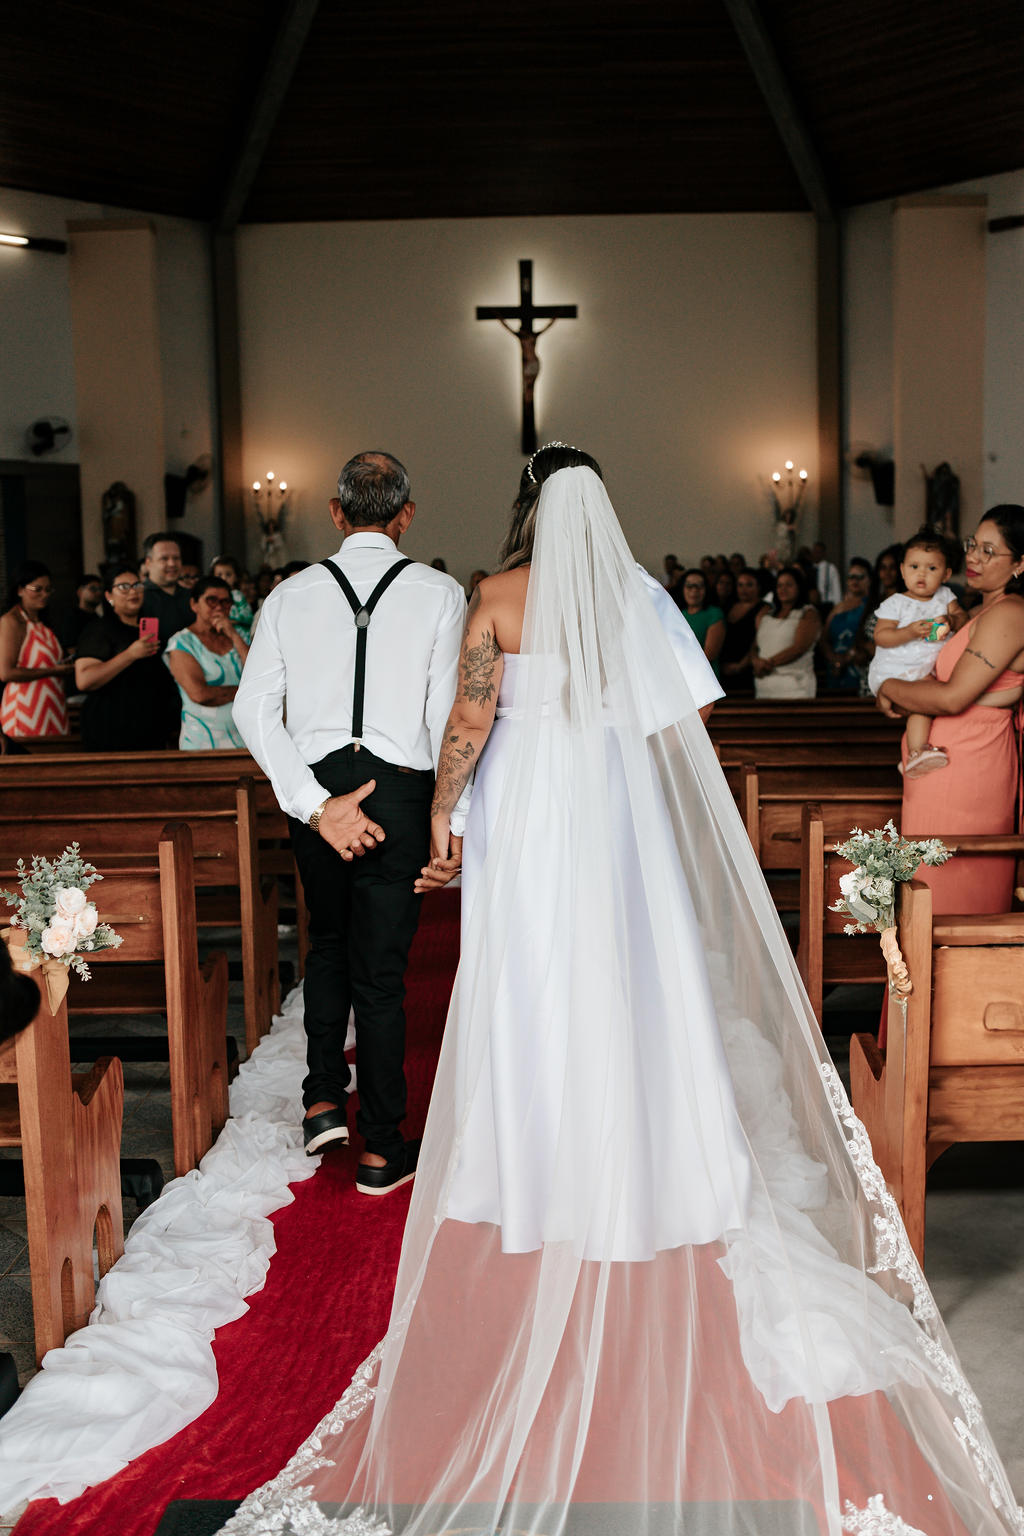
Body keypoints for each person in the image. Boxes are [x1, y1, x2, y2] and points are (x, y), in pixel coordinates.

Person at [229, 451, 1019, 1536]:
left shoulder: (493, 598)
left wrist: (448, 820)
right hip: (611, 806)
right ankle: (641, 1143)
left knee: (525, 971)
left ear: (526, 511)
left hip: (525, 805)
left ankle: (534, 1150)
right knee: (628, 969)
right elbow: (684, 723)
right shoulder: (638, 594)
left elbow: (464, 726)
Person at [233, 450, 469, 1190]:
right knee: (385, 975)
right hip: (398, 789)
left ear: (335, 513)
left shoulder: (290, 595)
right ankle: (379, 1149)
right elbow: (444, 714)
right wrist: (446, 814)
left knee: (328, 944)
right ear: (405, 516)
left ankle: (322, 1100)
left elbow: (249, 710)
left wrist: (315, 804)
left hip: (318, 786)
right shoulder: (439, 591)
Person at [877, 505, 1024, 914]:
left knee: (953, 887)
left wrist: (889, 686)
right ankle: (919, 978)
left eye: (989, 551)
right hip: (937, 763)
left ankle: (958, 977)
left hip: (970, 762)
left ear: (1021, 563)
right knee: (923, 883)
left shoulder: (1011, 613)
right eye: (973, 545)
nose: (974, 557)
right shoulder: (978, 611)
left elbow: (953, 697)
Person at [867, 530, 966, 777]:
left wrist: (951, 621)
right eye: (914, 566)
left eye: (932, 568)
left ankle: (912, 755)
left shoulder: (945, 596)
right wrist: (909, 632)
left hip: (924, 668)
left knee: (927, 702)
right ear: (902, 571)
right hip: (896, 668)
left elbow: (964, 618)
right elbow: (881, 636)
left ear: (946, 574)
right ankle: (916, 752)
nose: (921, 574)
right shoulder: (895, 603)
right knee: (926, 701)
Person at [74, 565, 180, 751]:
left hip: (150, 726)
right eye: (124, 587)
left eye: (137, 586)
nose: (133, 592)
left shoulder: (151, 628)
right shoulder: (100, 629)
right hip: (112, 726)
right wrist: (130, 654)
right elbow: (84, 680)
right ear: (108, 596)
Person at [163, 576, 249, 749]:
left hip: (247, 739)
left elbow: (259, 675)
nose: (219, 607)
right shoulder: (181, 643)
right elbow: (199, 693)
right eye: (211, 600)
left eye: (225, 602)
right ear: (194, 604)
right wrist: (248, 692)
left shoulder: (240, 636)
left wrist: (232, 634)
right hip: (203, 741)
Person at [0, 562, 72, 739]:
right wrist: (53, 671)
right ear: (20, 590)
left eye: (48, 590)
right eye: (37, 589)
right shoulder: (12, 621)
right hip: (26, 707)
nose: (44, 594)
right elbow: (6, 673)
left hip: (54, 705)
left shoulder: (42, 622)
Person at [751, 564, 820, 697]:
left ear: (799, 587)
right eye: (780, 585)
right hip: (765, 684)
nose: (783, 589)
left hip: (795, 685)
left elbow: (799, 648)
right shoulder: (767, 614)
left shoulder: (808, 613)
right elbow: (754, 646)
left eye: (789, 585)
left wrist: (766, 664)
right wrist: (755, 661)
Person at [817, 557, 876, 691]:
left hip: (860, 666)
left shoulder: (872, 606)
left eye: (860, 576)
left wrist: (845, 659)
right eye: (851, 577)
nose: (855, 580)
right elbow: (824, 640)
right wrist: (835, 660)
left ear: (870, 580)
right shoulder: (838, 608)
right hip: (836, 669)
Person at [720, 566, 769, 693]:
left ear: (758, 587)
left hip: (747, 668)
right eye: (740, 585)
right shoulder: (729, 605)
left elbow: (759, 641)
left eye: (749, 585)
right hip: (723, 668)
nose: (744, 589)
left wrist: (741, 666)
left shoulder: (764, 609)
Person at [140, 532, 193, 645]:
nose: (172, 563)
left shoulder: (192, 596)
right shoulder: (139, 598)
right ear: (148, 563)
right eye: (164, 558)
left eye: (176, 558)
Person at [675, 568, 726, 677]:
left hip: (703, 678)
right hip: (680, 678)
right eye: (689, 585)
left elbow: (709, 655)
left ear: (706, 589)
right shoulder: (678, 614)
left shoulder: (714, 614)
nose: (694, 590)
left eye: (699, 585)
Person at [210, 556, 254, 643]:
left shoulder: (237, 596)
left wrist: (230, 622)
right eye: (219, 575)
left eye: (228, 575)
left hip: (240, 637)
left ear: (236, 577)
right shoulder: (211, 596)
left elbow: (248, 618)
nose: (223, 578)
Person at [58, 575, 103, 654]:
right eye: (93, 589)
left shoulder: (98, 619)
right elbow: (71, 650)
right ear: (80, 591)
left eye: (100, 589)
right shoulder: (72, 618)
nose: (98, 593)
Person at [811, 539, 842, 607]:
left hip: (827, 604)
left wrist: (837, 605)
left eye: (819, 551)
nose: (817, 554)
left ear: (824, 552)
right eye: (815, 551)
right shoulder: (810, 568)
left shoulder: (831, 568)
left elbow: (836, 590)